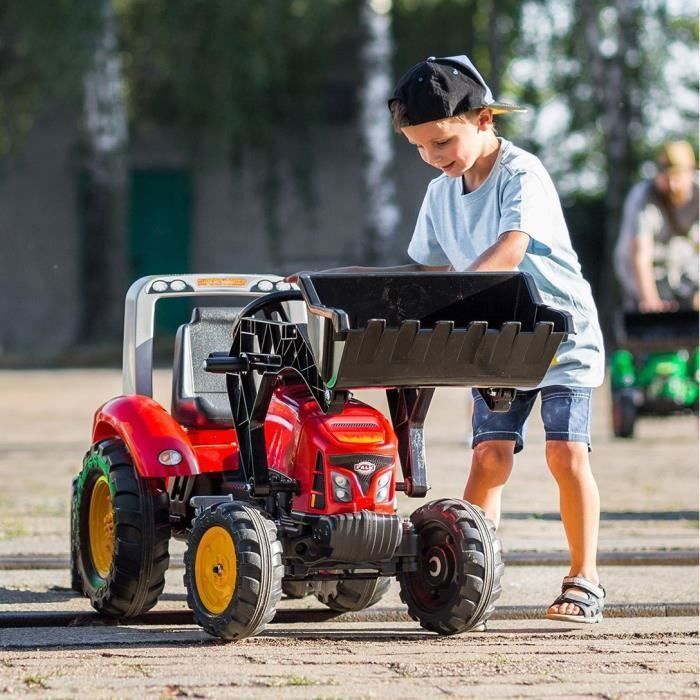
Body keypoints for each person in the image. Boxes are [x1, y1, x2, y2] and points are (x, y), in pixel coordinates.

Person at [289, 55, 606, 623]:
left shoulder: (521, 173)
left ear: (483, 119)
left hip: (559, 337)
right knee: (489, 457)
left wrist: (455, 303)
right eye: (419, 147)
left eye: (441, 141)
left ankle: (584, 581)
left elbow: (511, 251)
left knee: (566, 453)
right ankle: (469, 577)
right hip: (495, 340)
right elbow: (425, 276)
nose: (433, 158)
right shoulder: (441, 194)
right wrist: (334, 282)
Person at [614, 140, 699, 311]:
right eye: (667, 178)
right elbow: (640, 256)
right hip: (646, 276)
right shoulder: (643, 198)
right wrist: (651, 304)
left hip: (685, 271)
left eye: (678, 177)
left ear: (691, 172)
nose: (672, 185)